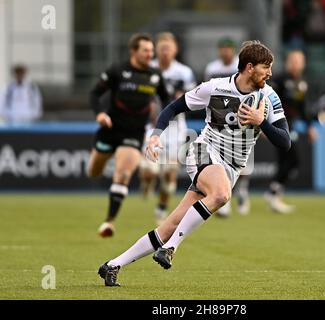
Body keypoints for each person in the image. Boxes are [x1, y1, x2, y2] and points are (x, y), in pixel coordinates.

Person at [98, 40, 291, 286]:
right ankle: (170, 249)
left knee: (170, 225)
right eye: (267, 67)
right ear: (250, 67)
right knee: (221, 194)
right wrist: (156, 134)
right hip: (203, 150)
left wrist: (261, 121)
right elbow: (173, 108)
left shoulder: (269, 96)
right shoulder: (214, 88)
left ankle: (113, 265)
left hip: (231, 166)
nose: (271, 73)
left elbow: (285, 142)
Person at [88, 33, 169, 237]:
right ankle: (141, 169)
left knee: (123, 174)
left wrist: (161, 122)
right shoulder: (117, 70)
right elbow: (95, 93)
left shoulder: (155, 75)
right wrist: (99, 113)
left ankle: (109, 222)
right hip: (110, 130)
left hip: (133, 133)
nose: (150, 54)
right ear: (133, 51)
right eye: (146, 50)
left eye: (152, 51)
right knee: (93, 172)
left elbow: (167, 102)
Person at [139, 32, 197, 225]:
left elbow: (192, 98)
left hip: (176, 126)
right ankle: (146, 182)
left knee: (170, 172)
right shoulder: (149, 69)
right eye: (162, 48)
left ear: (175, 50)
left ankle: (161, 208)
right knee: (150, 171)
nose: (165, 52)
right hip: (153, 124)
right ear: (157, 49)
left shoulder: (184, 72)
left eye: (168, 48)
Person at [265, 50, 317, 214]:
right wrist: (265, 127)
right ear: (288, 62)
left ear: (303, 64)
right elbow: (268, 103)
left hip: (291, 125)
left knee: (287, 161)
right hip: (278, 125)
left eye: (298, 61)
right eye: (293, 60)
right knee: (292, 159)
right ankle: (273, 192)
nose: (295, 64)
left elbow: (302, 108)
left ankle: (274, 194)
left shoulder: (301, 83)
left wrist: (310, 127)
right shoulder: (279, 80)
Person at [204, 37, 250, 216]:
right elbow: (208, 94)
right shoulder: (212, 68)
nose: (225, 52)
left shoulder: (241, 66)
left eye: (228, 48)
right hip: (219, 121)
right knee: (221, 162)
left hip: (242, 120)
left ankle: (243, 191)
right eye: (222, 48)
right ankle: (225, 199)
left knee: (243, 162)